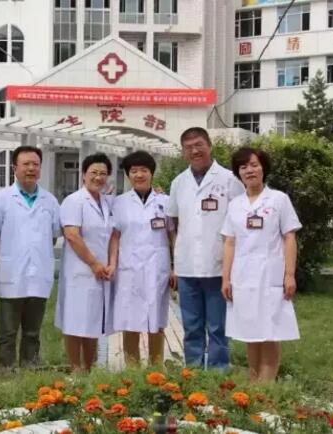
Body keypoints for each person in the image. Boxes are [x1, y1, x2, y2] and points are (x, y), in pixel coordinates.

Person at [220, 147, 302, 382]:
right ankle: (253, 384)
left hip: (270, 276)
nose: (249, 170)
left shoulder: (278, 199)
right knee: (250, 332)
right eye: (243, 167)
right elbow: (229, 242)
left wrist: (289, 274)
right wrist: (226, 278)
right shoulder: (235, 204)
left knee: (269, 332)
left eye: (254, 165)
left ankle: (266, 388)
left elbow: (289, 237)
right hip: (243, 277)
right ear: (238, 173)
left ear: (263, 168)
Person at [167, 127, 244, 369]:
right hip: (187, 266)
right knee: (191, 326)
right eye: (188, 147)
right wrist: (174, 263)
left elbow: (240, 224)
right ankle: (194, 373)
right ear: (183, 152)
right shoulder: (178, 183)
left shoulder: (230, 180)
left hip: (219, 267)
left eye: (199, 145)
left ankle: (218, 374)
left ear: (209, 146)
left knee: (218, 327)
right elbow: (174, 225)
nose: (194, 151)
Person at [0, 145, 61, 368]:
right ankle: (5, 371)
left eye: (35, 164)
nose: (31, 168)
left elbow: (53, 236)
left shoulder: (50, 201)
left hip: (39, 274)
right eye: (26, 164)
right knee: (8, 332)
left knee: (32, 332)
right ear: (14, 168)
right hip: (12, 274)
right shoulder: (1, 199)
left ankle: (30, 369)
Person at [108, 150, 176, 365]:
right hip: (128, 269)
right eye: (134, 171)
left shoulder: (165, 201)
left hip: (157, 268)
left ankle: (156, 370)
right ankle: (132, 371)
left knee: (156, 321)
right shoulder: (118, 203)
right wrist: (112, 264)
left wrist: (175, 266)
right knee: (130, 321)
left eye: (144, 170)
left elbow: (172, 235)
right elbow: (115, 236)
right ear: (128, 175)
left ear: (152, 173)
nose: (139, 175)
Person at [56, 153, 114, 371]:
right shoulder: (74, 201)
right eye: (93, 173)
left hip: (100, 272)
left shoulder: (107, 202)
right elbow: (72, 235)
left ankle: (89, 368)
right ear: (83, 175)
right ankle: (75, 369)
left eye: (103, 174)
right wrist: (94, 264)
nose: (98, 177)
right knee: (74, 322)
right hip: (80, 271)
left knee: (92, 322)